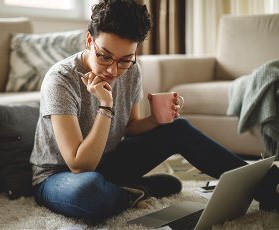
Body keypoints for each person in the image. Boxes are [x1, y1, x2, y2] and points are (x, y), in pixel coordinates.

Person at [30, 0, 248, 222]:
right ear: (89, 40)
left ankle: (267, 184)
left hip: (108, 163)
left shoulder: (132, 71)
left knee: (177, 128)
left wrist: (156, 119)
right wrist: (106, 105)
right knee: (88, 192)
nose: (113, 70)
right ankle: (138, 190)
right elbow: (80, 165)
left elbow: (131, 128)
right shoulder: (61, 79)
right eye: (104, 56)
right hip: (60, 177)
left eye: (125, 60)